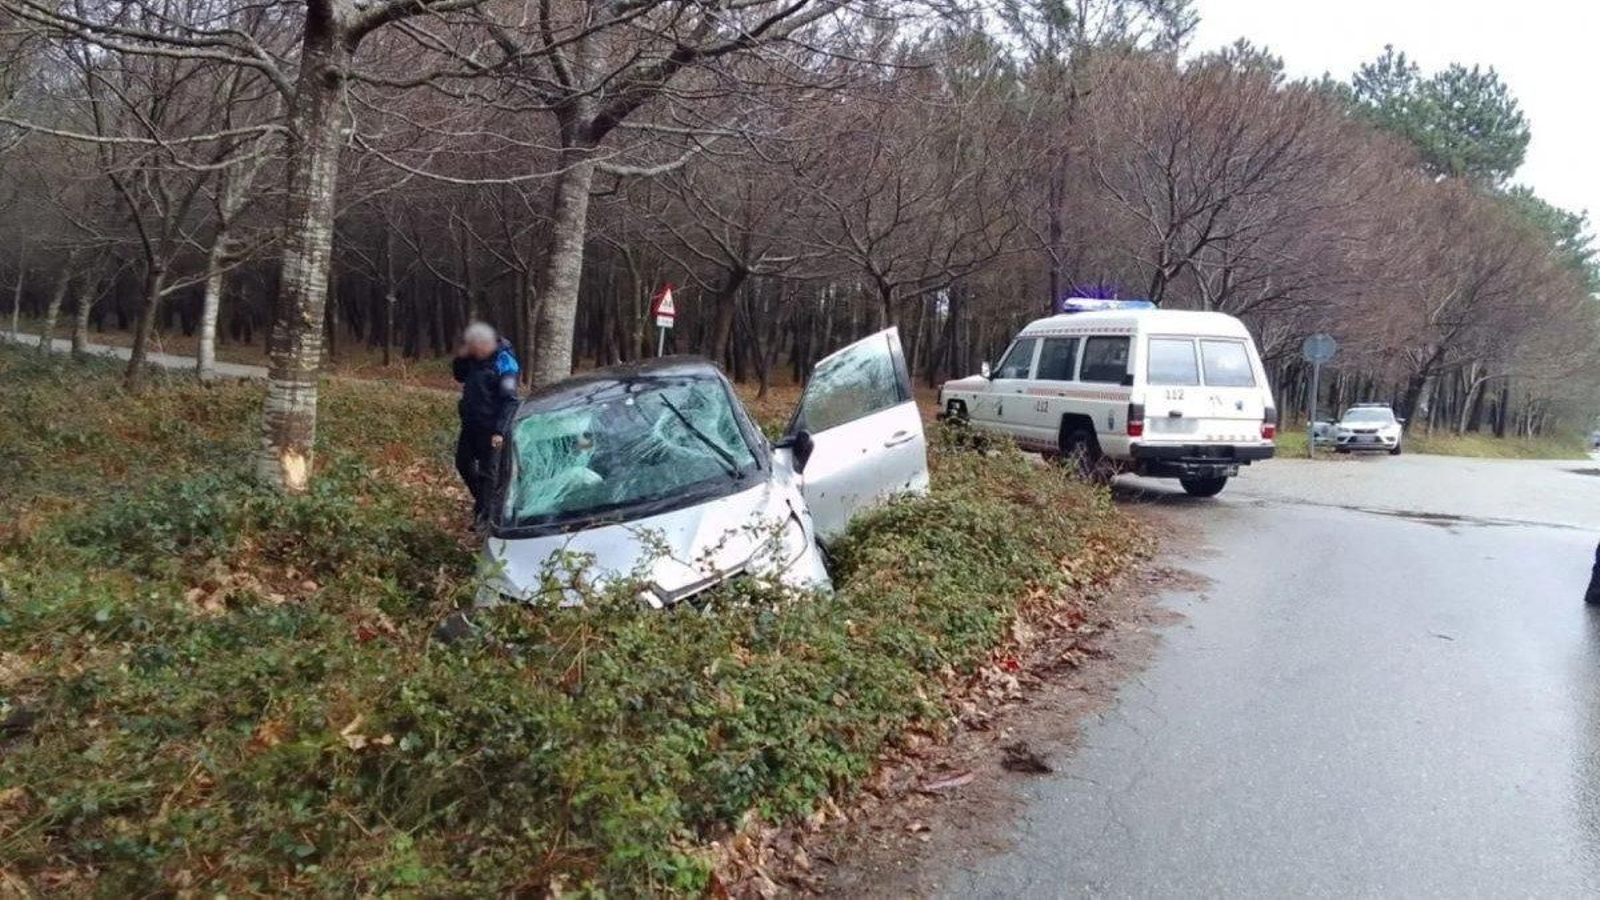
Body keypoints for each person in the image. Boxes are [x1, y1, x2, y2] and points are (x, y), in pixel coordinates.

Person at [452, 323, 520, 525]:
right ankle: (485, 503)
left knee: (488, 472)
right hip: (471, 423)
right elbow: (459, 375)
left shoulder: (505, 362)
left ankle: (485, 517)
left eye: (476, 348)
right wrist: (461, 357)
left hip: (492, 427)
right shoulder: (473, 357)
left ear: (486, 344)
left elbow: (510, 401)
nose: (474, 352)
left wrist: (499, 431)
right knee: (463, 463)